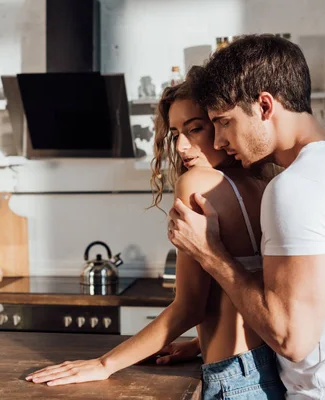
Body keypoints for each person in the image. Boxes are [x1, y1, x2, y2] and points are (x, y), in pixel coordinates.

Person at [167, 34, 325, 399]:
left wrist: (210, 254)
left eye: (225, 122)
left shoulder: (296, 187)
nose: (218, 141)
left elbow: (290, 338)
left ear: (265, 105)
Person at [25, 68, 286, 399]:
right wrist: (196, 344)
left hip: (231, 380)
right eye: (176, 133)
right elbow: (239, 297)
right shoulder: (263, 184)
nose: (182, 146)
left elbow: (189, 307)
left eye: (196, 129)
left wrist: (105, 364)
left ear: (222, 124)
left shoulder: (197, 183)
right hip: (266, 371)